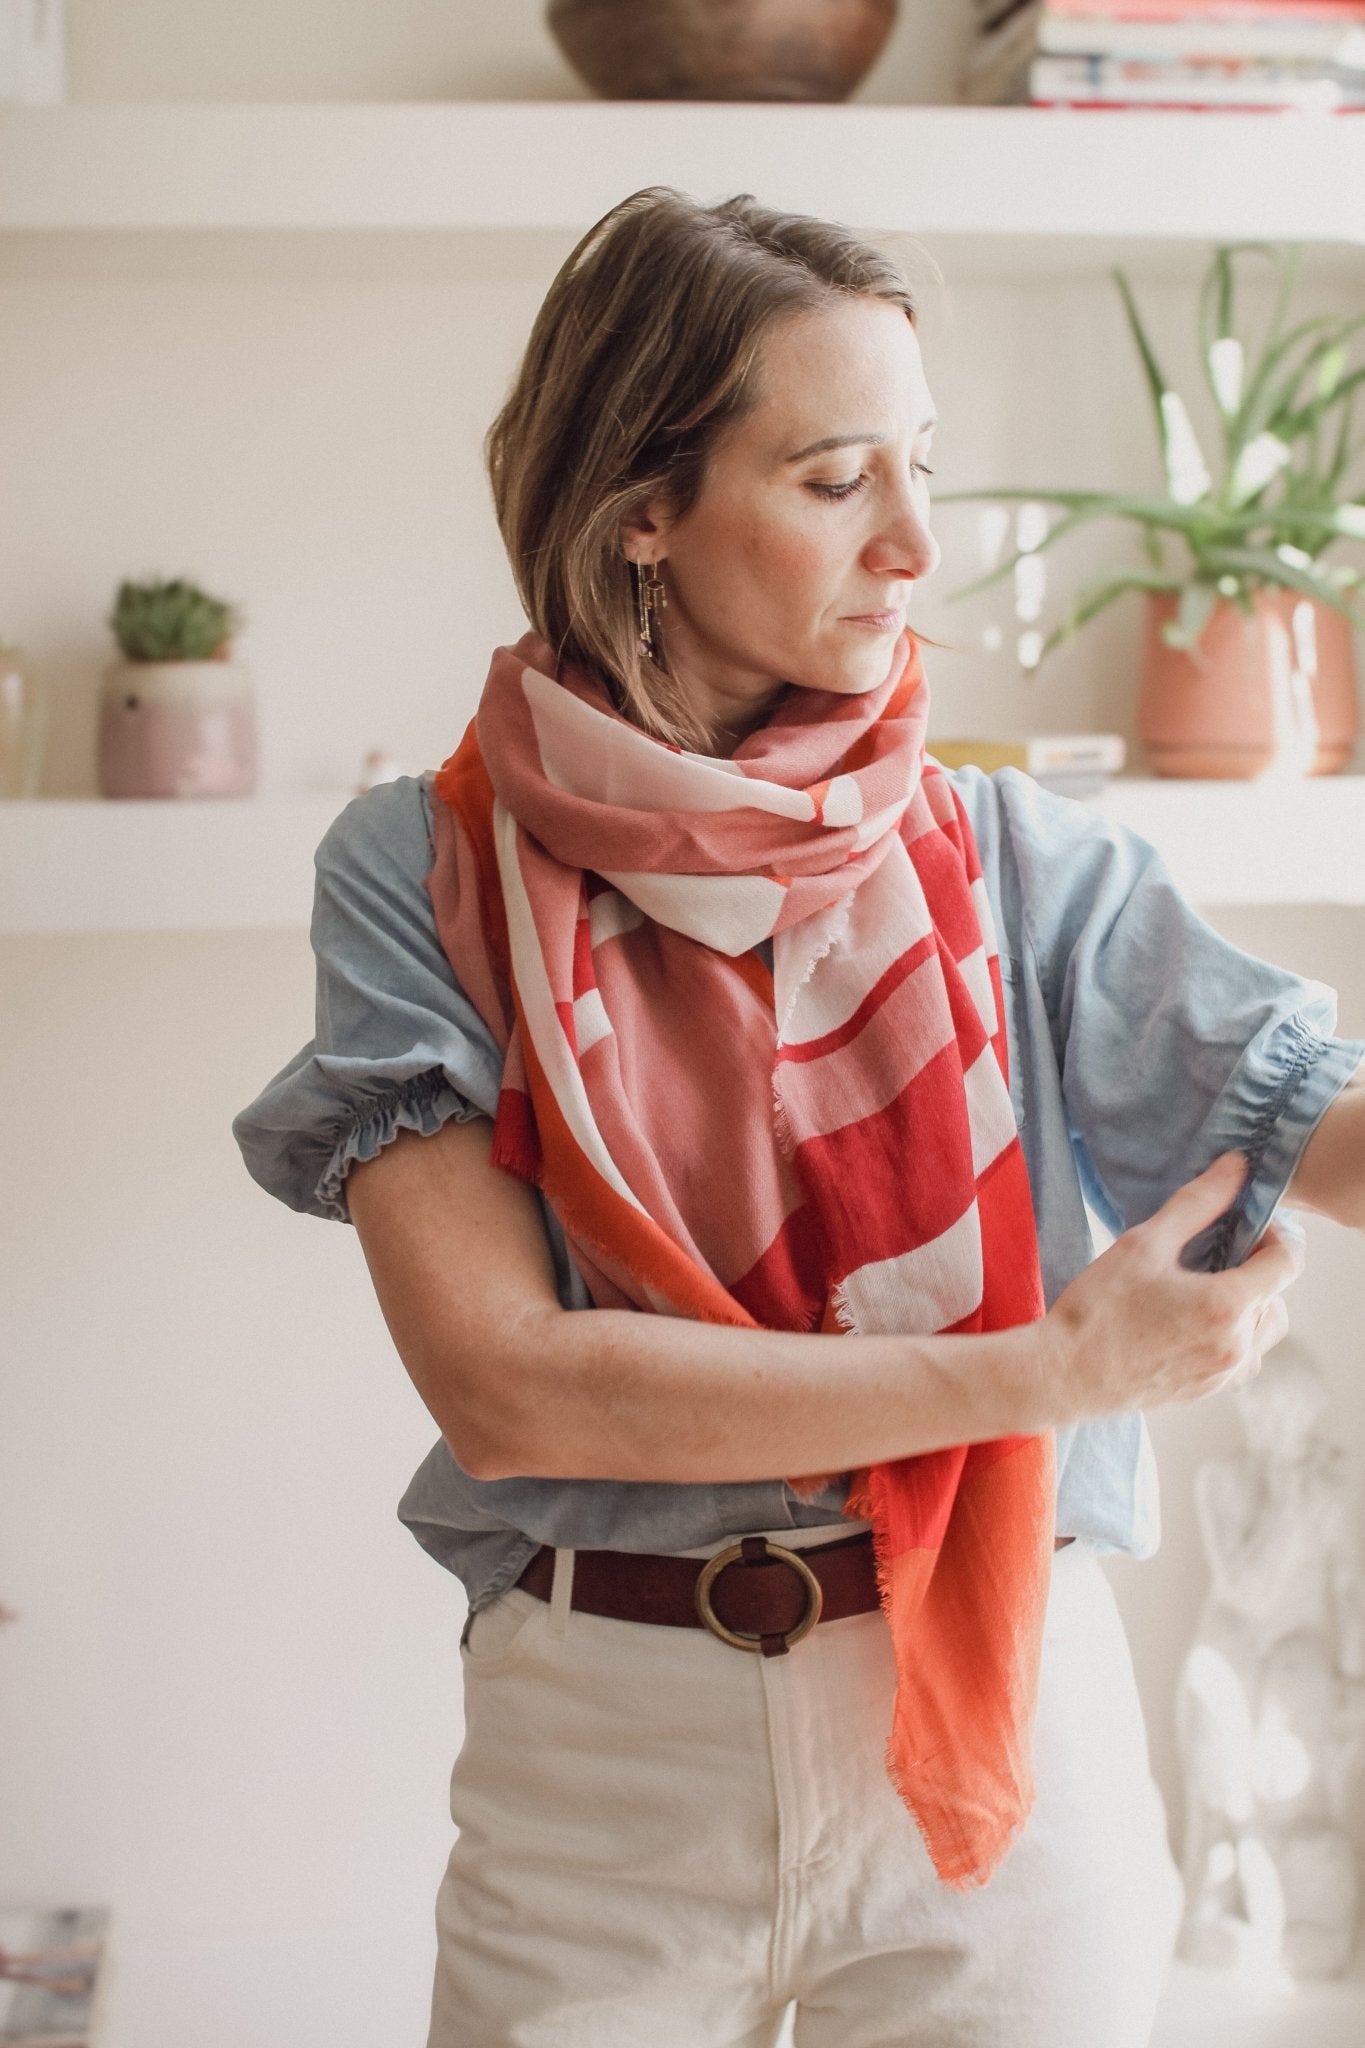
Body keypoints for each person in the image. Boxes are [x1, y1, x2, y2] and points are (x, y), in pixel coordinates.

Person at [231, 188, 1365, 2048]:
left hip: (1004, 1739)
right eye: (837, 480)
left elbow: (1304, 1110)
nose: (915, 541)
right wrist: (1045, 1375)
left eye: (922, 465)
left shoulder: (1005, 852)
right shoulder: (426, 868)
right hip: (605, 1761)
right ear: (640, 509)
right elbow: (508, 1387)